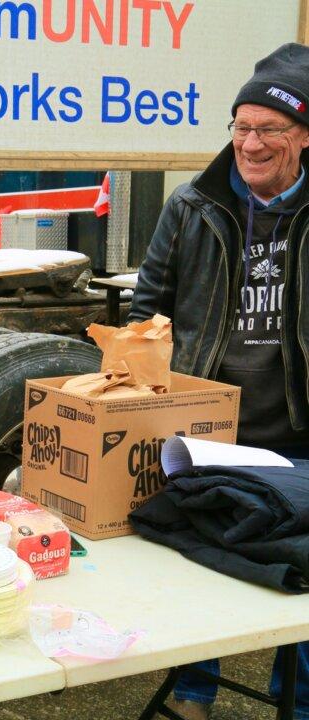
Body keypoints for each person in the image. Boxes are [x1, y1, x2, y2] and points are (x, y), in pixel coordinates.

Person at [130, 43, 309, 720]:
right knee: (196, 560)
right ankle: (193, 695)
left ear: (303, 137)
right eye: (242, 127)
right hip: (208, 428)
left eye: (269, 129)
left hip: (298, 429)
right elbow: (149, 305)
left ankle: (299, 702)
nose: (251, 143)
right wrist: (139, 383)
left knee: (301, 575)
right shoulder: (192, 205)